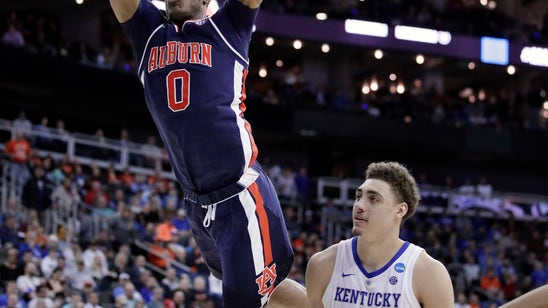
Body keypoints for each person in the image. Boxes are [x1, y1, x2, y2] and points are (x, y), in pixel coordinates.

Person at [107, 0, 306, 307]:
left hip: (240, 198)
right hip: (197, 203)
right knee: (266, 289)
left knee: (243, 299)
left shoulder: (228, 26)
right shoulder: (148, 31)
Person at [305, 161, 454, 307]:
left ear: (400, 210)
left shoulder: (429, 273)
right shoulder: (322, 265)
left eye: (373, 199)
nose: (359, 206)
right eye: (358, 197)